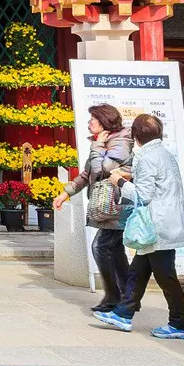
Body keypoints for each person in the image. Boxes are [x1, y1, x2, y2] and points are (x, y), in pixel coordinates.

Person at [97, 113, 184, 339]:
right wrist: (132, 175)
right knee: (137, 271)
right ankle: (123, 313)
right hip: (160, 224)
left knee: (165, 276)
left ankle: (180, 324)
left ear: (136, 136)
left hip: (156, 225)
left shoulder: (147, 157)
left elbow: (144, 195)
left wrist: (119, 181)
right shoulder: (161, 152)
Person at [56, 104, 134, 314]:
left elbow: (102, 170)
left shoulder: (120, 141)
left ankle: (115, 297)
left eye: (93, 119)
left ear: (104, 121)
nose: (89, 123)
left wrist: (98, 146)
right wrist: (66, 193)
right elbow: (87, 174)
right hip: (110, 204)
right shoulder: (105, 142)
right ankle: (127, 297)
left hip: (116, 203)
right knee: (115, 250)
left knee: (101, 247)